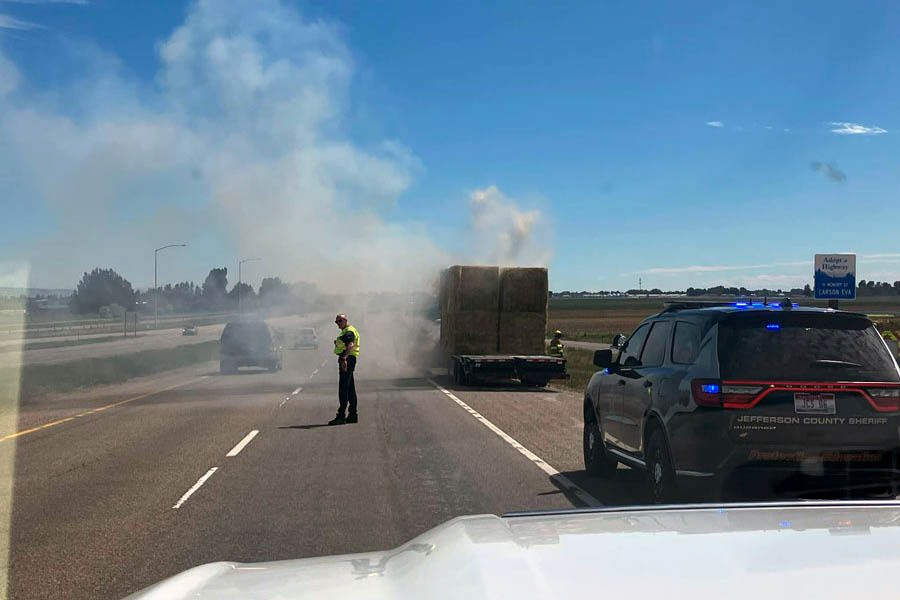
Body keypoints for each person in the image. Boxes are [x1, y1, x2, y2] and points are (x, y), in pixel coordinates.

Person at [328, 314, 360, 425]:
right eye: (336, 321)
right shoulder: (348, 331)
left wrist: (344, 359)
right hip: (350, 359)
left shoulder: (348, 332)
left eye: (340, 321)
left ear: (346, 320)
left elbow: (350, 345)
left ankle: (341, 416)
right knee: (350, 388)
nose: (338, 323)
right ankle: (352, 415)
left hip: (347, 360)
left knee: (343, 388)